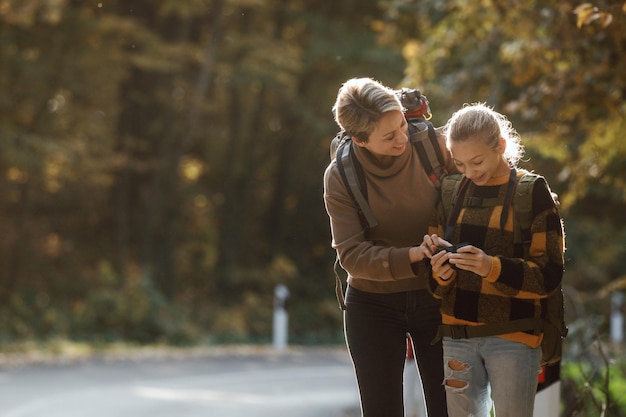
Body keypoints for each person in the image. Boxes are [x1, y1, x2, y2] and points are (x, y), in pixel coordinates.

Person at [424, 103, 565, 417]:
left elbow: (550, 274)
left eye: (477, 161)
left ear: (500, 146)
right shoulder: (449, 191)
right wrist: (439, 273)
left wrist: (492, 267)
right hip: (457, 337)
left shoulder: (532, 192)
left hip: (514, 337)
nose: (470, 172)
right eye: (459, 164)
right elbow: (432, 282)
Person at [323, 77, 453, 417]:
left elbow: (480, 188)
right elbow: (352, 255)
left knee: (452, 410)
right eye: (390, 135)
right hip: (373, 304)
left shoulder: (432, 146)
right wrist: (413, 255)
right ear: (360, 140)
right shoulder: (341, 175)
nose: (402, 138)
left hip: (438, 294)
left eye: (401, 124)